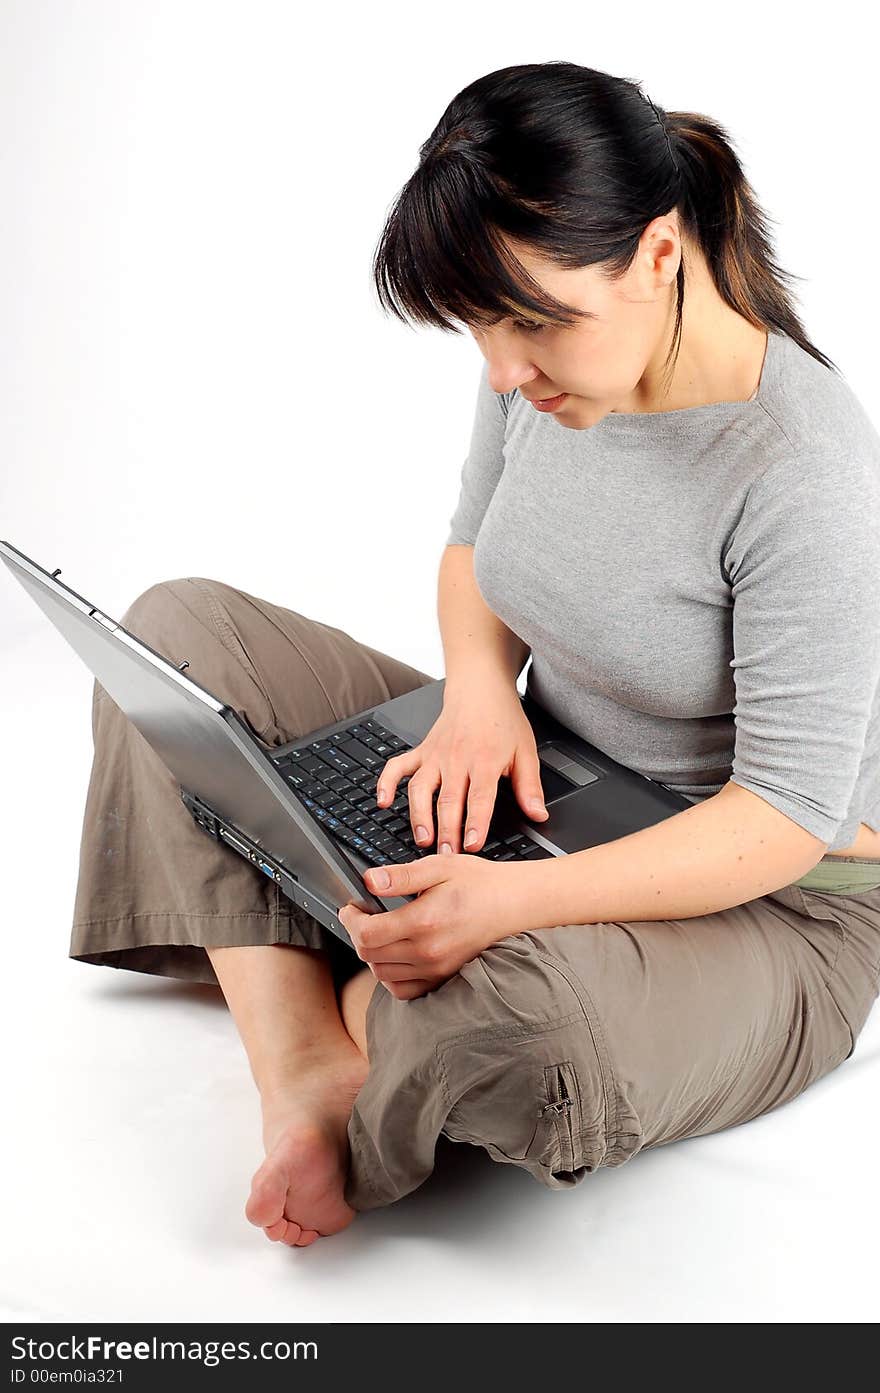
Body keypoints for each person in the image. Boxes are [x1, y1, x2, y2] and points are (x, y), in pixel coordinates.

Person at [70, 61, 880, 1249]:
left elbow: (783, 815)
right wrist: (476, 701)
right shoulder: (542, 368)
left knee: (531, 1023)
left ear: (659, 256)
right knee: (176, 642)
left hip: (769, 901)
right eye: (482, 327)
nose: (503, 370)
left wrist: (512, 901)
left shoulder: (799, 470)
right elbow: (471, 551)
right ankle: (308, 1061)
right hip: (548, 779)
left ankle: (334, 957)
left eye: (532, 324)